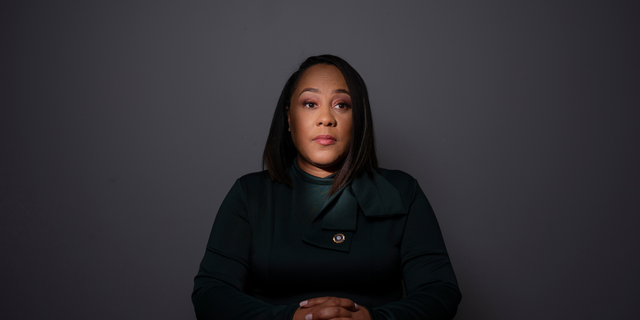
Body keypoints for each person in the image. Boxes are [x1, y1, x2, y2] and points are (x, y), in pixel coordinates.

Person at [192, 55, 461, 320]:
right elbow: (211, 293)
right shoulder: (249, 194)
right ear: (288, 118)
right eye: (310, 103)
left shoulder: (402, 191)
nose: (326, 119)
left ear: (359, 119)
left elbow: (439, 292)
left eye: (341, 105)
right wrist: (290, 319)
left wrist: (372, 319)